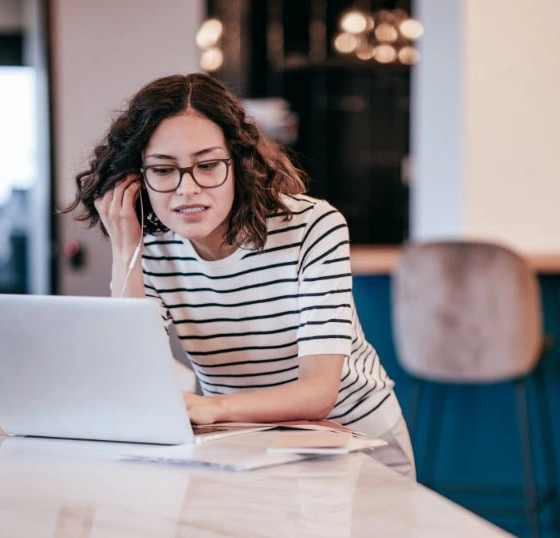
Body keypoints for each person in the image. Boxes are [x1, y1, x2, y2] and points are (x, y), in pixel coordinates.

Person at [64, 73, 414, 478]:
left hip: (356, 445)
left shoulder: (314, 226)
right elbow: (132, 381)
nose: (186, 189)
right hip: (242, 446)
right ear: (136, 178)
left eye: (208, 165)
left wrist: (210, 407)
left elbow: (318, 393)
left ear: (239, 161)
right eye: (163, 170)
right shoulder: (152, 249)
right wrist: (127, 250)